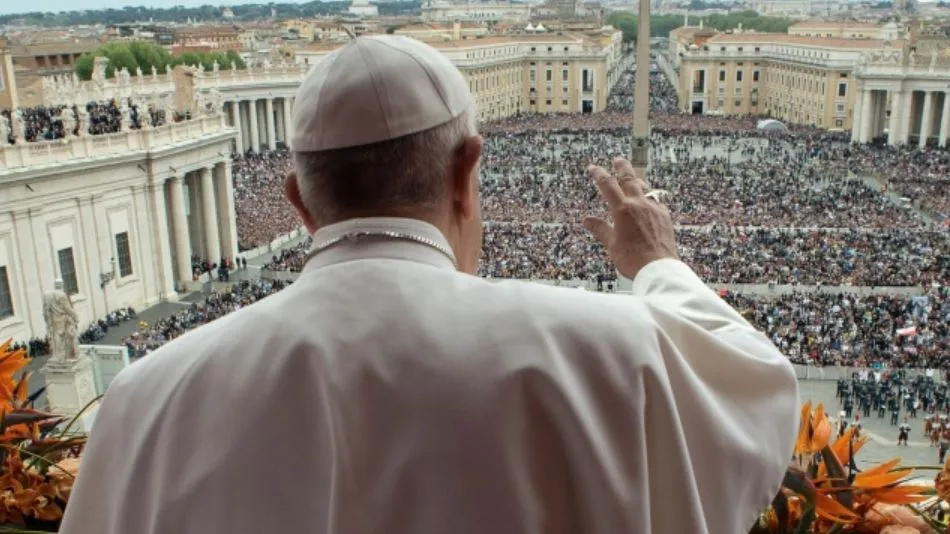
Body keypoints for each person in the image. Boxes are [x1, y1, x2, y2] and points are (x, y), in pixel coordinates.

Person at [60, 35, 799, 534]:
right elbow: (760, 393)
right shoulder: (615, 348)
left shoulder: (144, 401)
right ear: (467, 172)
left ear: (298, 201)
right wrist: (659, 265)